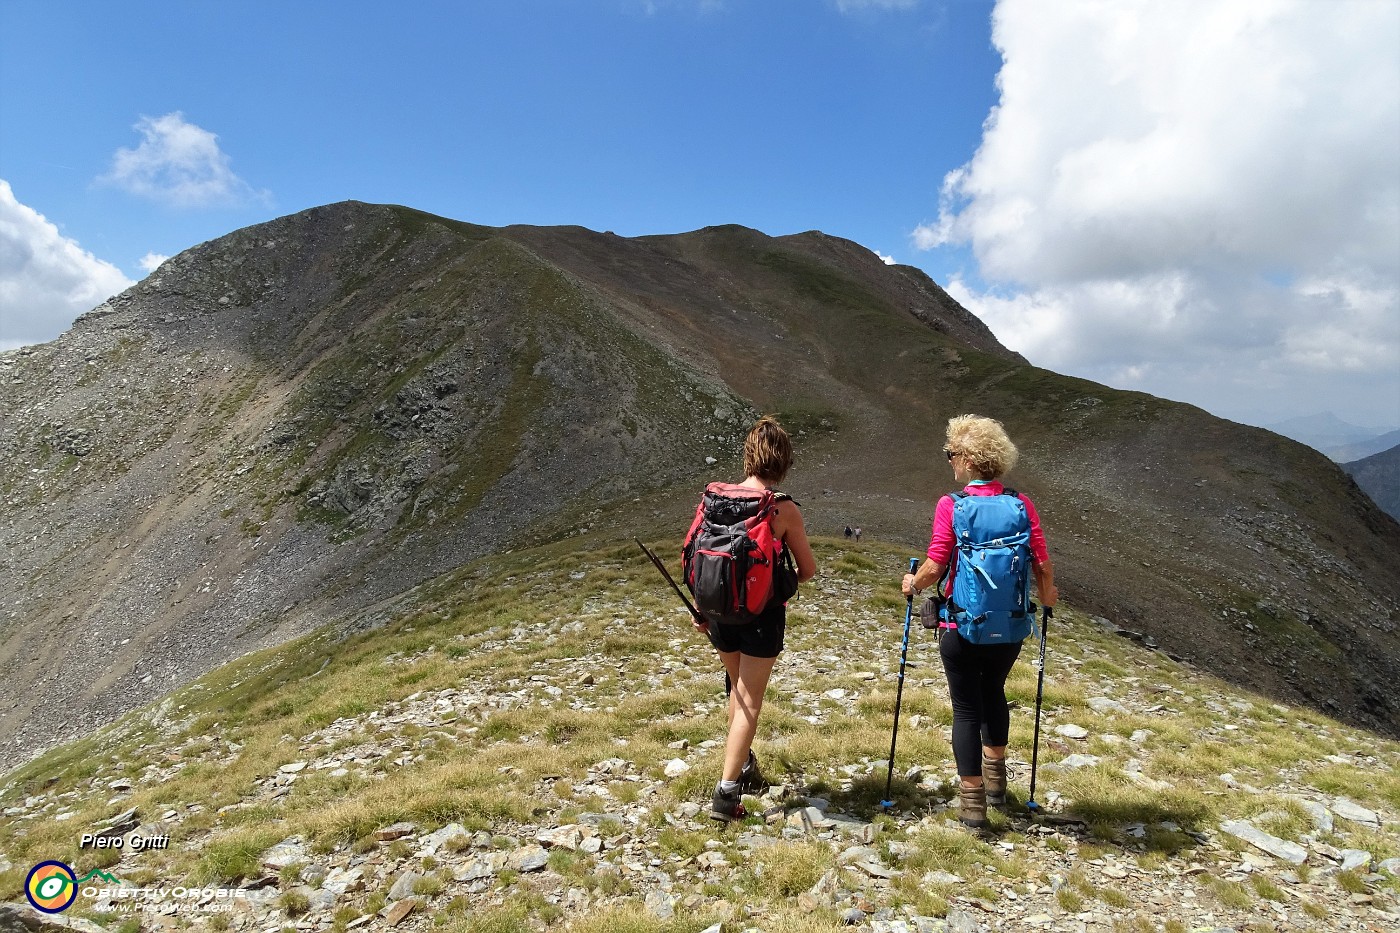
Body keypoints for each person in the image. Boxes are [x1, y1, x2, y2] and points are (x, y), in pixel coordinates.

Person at [900, 415, 1058, 828]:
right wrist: (1048, 598)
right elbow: (1041, 561)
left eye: (952, 454)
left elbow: (935, 566)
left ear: (969, 459)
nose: (950, 461)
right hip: (1010, 626)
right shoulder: (1021, 504)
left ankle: (972, 806)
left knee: (966, 709)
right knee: (995, 693)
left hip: (962, 626)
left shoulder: (952, 505)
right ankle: (996, 785)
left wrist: (912, 584)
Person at [700, 416, 817, 821]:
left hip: (717, 613)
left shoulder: (713, 499)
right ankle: (726, 794)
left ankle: (744, 766)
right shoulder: (781, 508)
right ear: (783, 461)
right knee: (749, 700)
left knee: (736, 690)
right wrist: (780, 580)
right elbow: (808, 568)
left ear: (749, 456)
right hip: (763, 616)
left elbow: (695, 557)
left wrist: (704, 610)